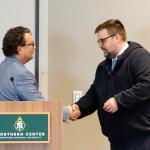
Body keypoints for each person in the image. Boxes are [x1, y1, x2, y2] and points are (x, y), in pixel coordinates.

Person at [65, 19, 150, 150]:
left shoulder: (139, 57)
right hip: (116, 138)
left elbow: (146, 85)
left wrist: (118, 101)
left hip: (140, 138)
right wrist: (78, 108)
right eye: (98, 41)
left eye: (102, 41)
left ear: (116, 37)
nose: (100, 45)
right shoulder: (103, 66)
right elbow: (94, 94)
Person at [0, 26, 44, 101]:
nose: (35, 47)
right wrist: (68, 111)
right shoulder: (22, 75)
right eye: (32, 44)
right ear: (20, 49)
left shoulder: (2, 67)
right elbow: (41, 107)